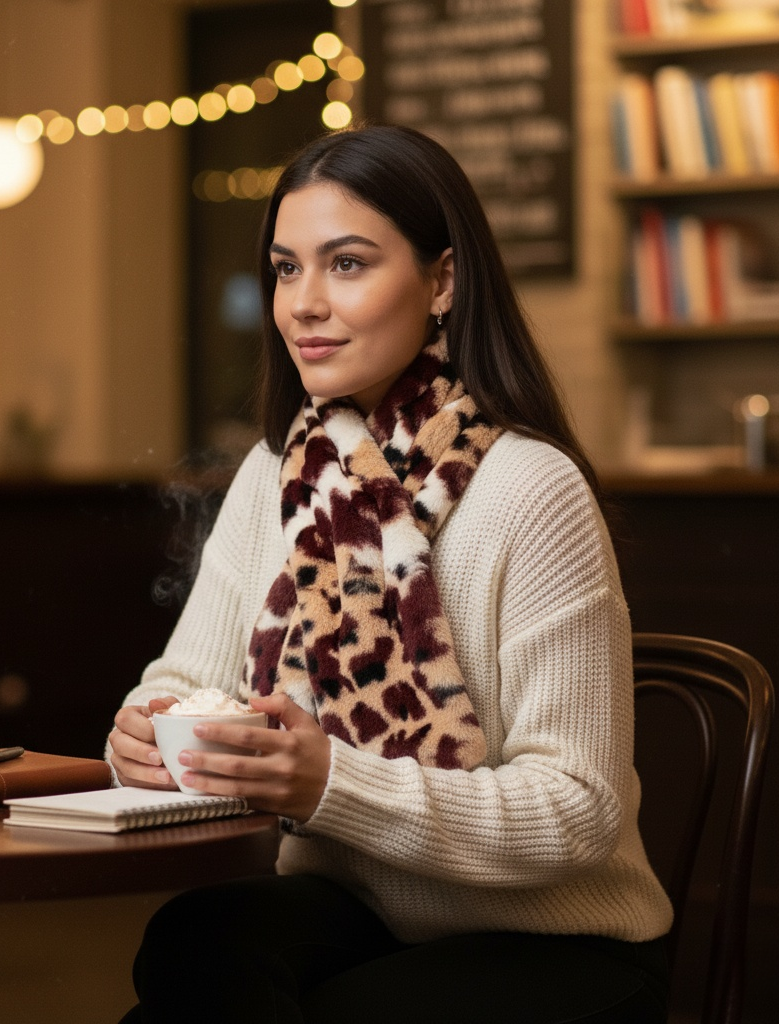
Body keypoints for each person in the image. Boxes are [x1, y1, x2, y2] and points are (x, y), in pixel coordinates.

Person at [107, 123, 673, 1023]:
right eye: (287, 269)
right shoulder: (278, 471)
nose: (304, 304)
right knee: (192, 944)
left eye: (348, 263)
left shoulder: (531, 487)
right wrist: (139, 735)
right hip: (363, 907)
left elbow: (578, 811)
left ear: (442, 281)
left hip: (554, 938)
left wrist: (330, 782)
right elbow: (182, 681)